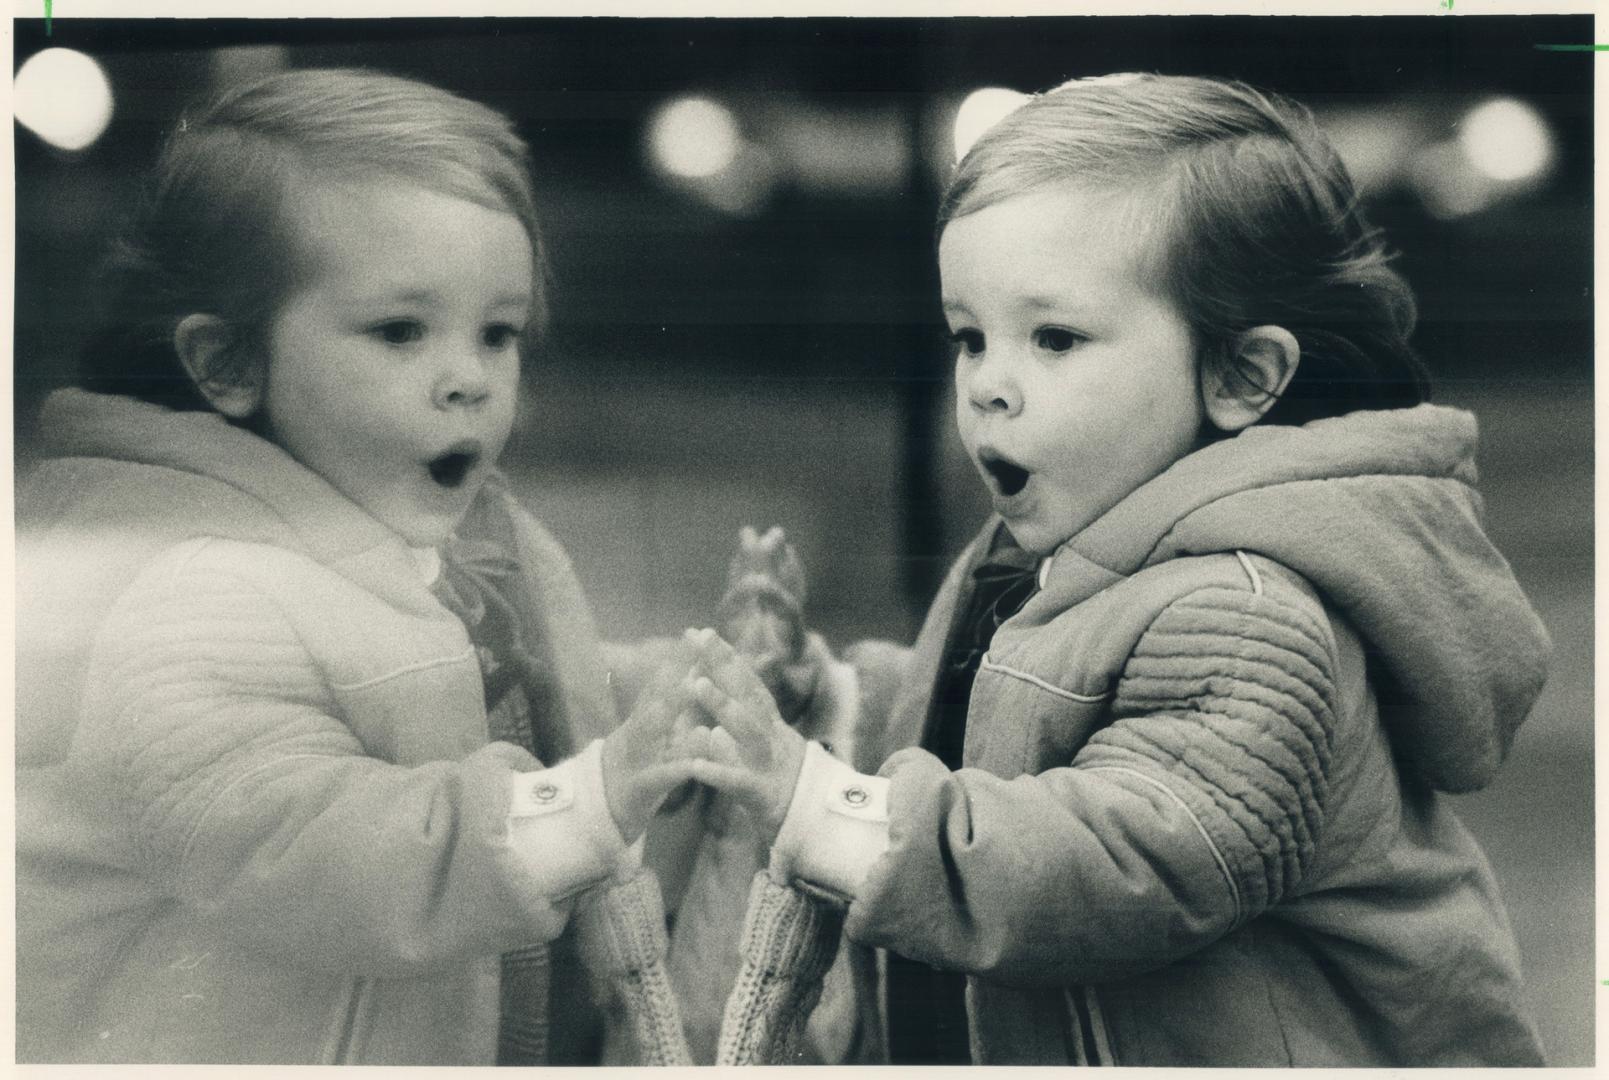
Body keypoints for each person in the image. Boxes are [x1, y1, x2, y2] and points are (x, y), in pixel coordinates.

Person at [682, 73, 1552, 1067]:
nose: (988, 389)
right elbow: (997, 723)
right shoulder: (1067, 540)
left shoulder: (1254, 613)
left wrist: (818, 805)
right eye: (970, 338)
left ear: (1240, 377)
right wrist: (833, 698)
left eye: (1054, 338)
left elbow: (1108, 864)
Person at [14, 67, 709, 1066]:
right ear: (228, 365)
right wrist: (596, 795)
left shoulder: (457, 548)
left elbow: (497, 690)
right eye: (400, 331)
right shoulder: (189, 592)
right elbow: (322, 848)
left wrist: (670, 699)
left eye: (498, 332)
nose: (469, 378)